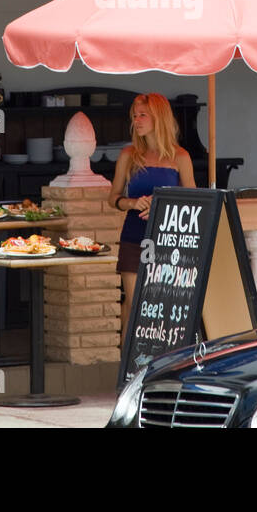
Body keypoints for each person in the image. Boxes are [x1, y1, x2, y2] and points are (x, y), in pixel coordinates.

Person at [109, 92, 196, 335]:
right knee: (135, 303)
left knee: (162, 307)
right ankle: (127, 370)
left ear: (159, 117)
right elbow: (113, 198)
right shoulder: (128, 155)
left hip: (169, 241)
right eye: (134, 116)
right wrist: (132, 203)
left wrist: (163, 208)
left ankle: (156, 366)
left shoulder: (180, 157)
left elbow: (194, 202)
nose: (137, 121)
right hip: (134, 237)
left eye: (143, 115)